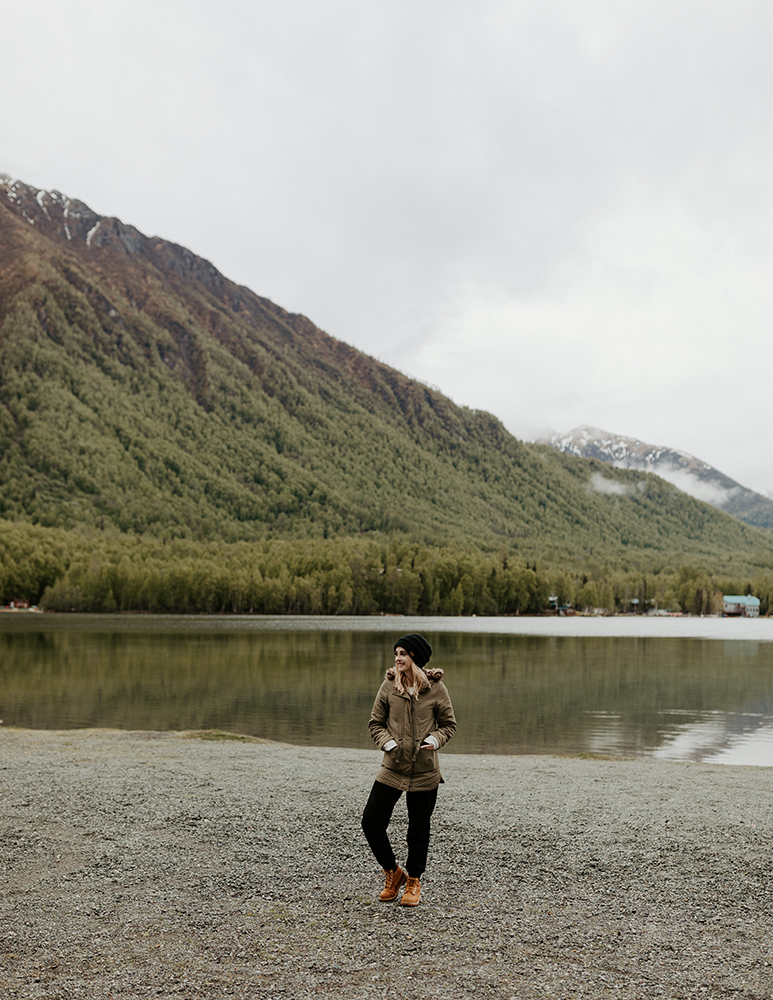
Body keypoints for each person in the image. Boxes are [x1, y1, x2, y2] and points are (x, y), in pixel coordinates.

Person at [361, 633, 456, 906]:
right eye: (396, 653)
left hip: (425, 770)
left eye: (402, 653)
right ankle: (393, 873)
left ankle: (414, 881)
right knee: (371, 822)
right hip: (392, 767)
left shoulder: (437, 689)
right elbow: (375, 723)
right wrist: (387, 742)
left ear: (414, 657)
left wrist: (435, 739)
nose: (397, 658)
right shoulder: (389, 685)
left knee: (418, 829)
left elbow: (449, 724)